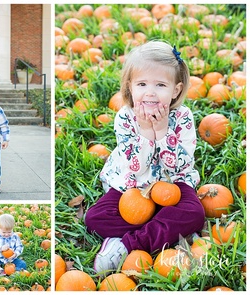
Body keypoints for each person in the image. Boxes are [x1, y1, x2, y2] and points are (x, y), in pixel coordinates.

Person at [86, 41, 204, 275]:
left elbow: (181, 164)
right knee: (95, 218)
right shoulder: (125, 117)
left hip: (172, 184)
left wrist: (162, 133)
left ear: (176, 90)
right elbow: (134, 168)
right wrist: (144, 132)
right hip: (131, 186)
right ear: (130, 87)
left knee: (195, 213)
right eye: (142, 84)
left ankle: (126, 244)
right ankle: (168, 227)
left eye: (160, 84)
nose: (150, 92)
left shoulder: (182, 117)